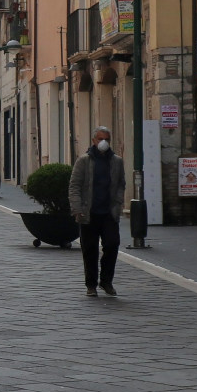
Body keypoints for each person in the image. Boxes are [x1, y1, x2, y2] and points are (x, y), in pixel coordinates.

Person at [68, 126, 125, 297]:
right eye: (100, 139)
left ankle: (106, 281)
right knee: (90, 249)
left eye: (106, 139)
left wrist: (118, 205)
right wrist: (77, 209)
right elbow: (75, 186)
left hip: (109, 213)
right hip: (88, 213)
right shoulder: (84, 161)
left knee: (112, 245)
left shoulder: (116, 161)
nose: (103, 142)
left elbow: (121, 184)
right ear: (93, 140)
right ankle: (91, 285)